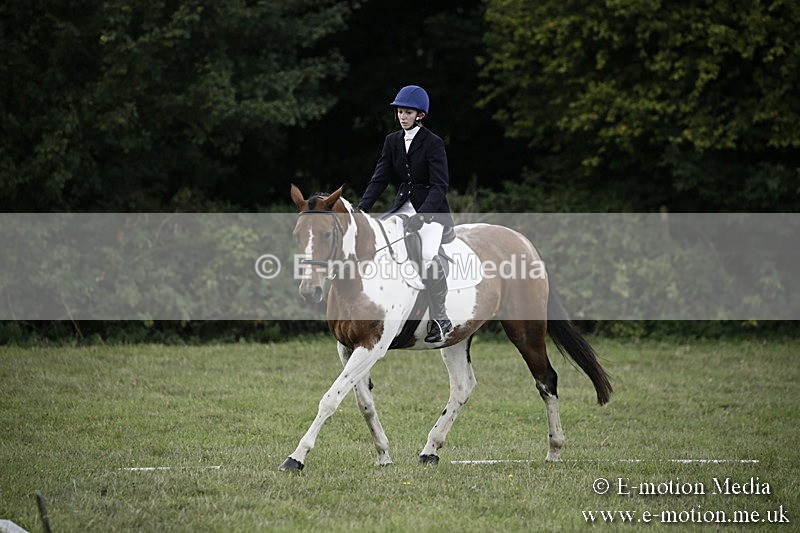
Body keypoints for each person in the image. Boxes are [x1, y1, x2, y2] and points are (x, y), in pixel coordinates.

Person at [357, 85, 454, 343]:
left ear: (420, 115)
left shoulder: (433, 143)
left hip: (432, 212)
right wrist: (361, 209)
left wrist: (422, 216)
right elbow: (380, 179)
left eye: (408, 112)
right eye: (400, 111)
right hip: (402, 207)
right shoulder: (392, 141)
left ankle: (441, 319)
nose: (402, 116)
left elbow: (440, 185)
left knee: (426, 254)